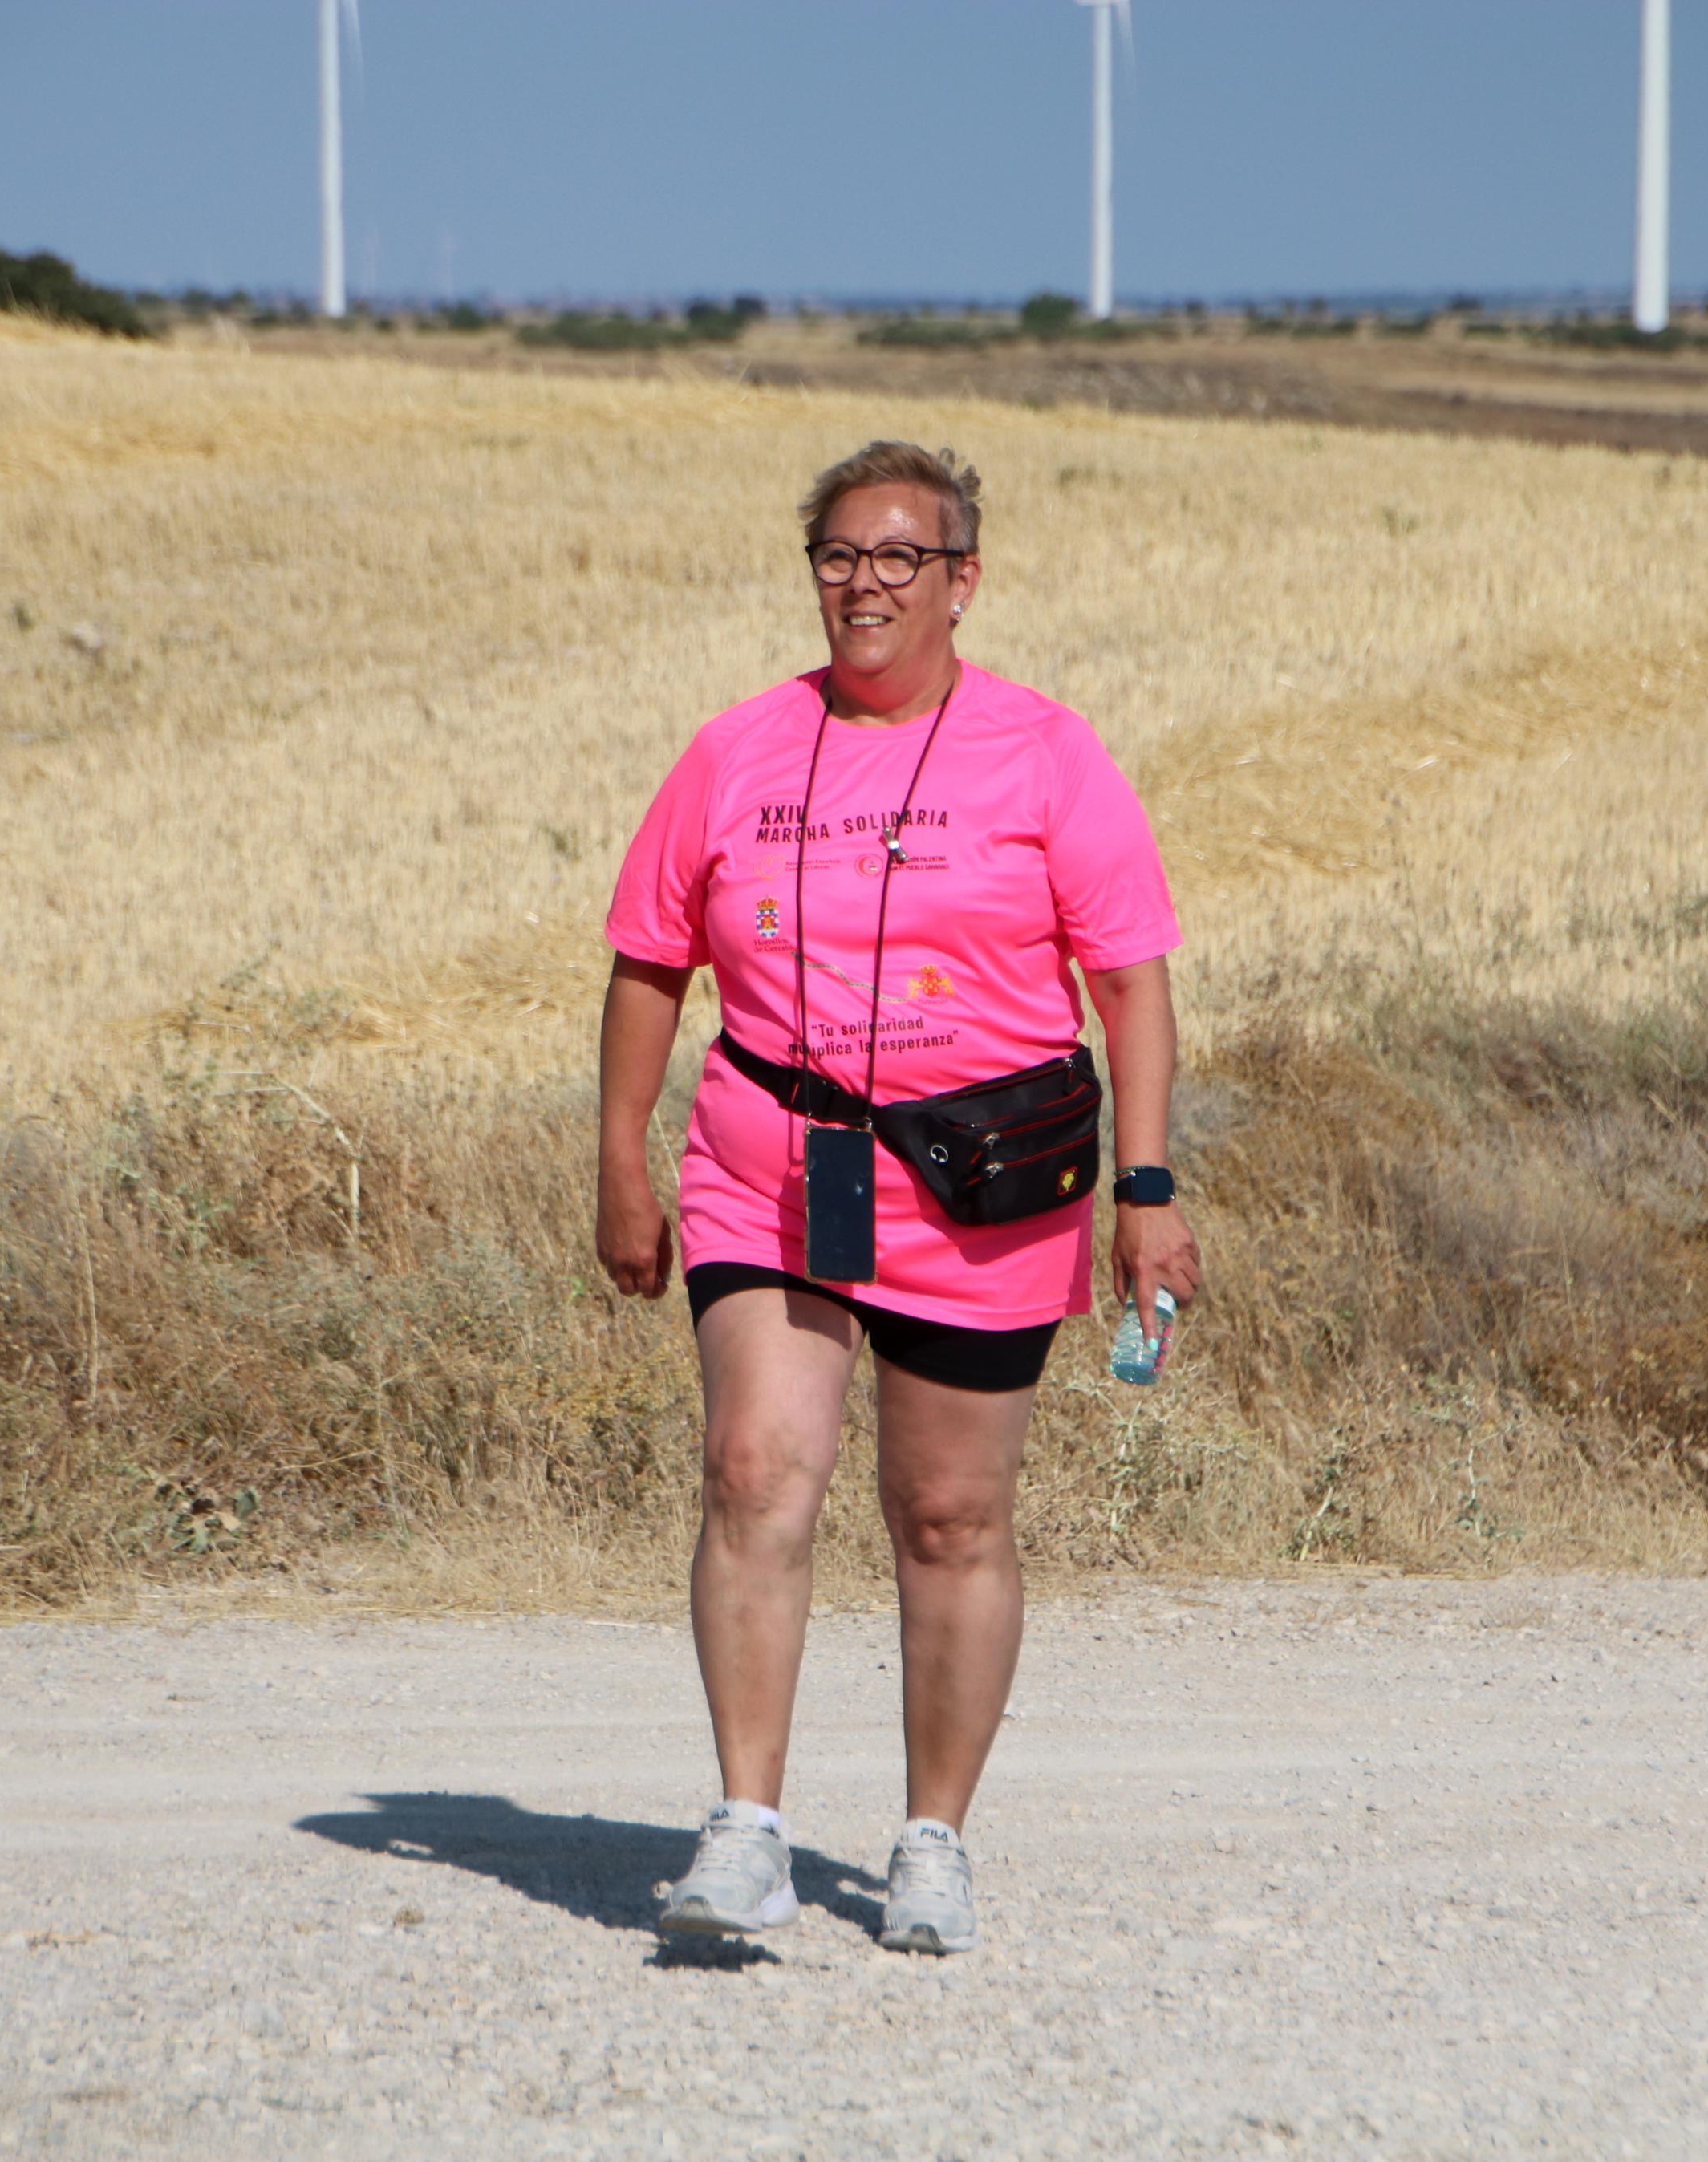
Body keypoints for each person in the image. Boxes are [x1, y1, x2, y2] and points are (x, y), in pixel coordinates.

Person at [597, 440, 1201, 1956]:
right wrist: (619, 1156)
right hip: (767, 1166)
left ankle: (934, 1839)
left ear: (961, 581)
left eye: (896, 558)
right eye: (836, 557)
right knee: (753, 1470)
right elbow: (650, 961)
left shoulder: (1048, 756)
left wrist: (1147, 1192)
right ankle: (745, 1831)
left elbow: (1129, 984)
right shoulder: (734, 751)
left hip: (981, 1189)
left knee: (948, 1514)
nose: (862, 585)